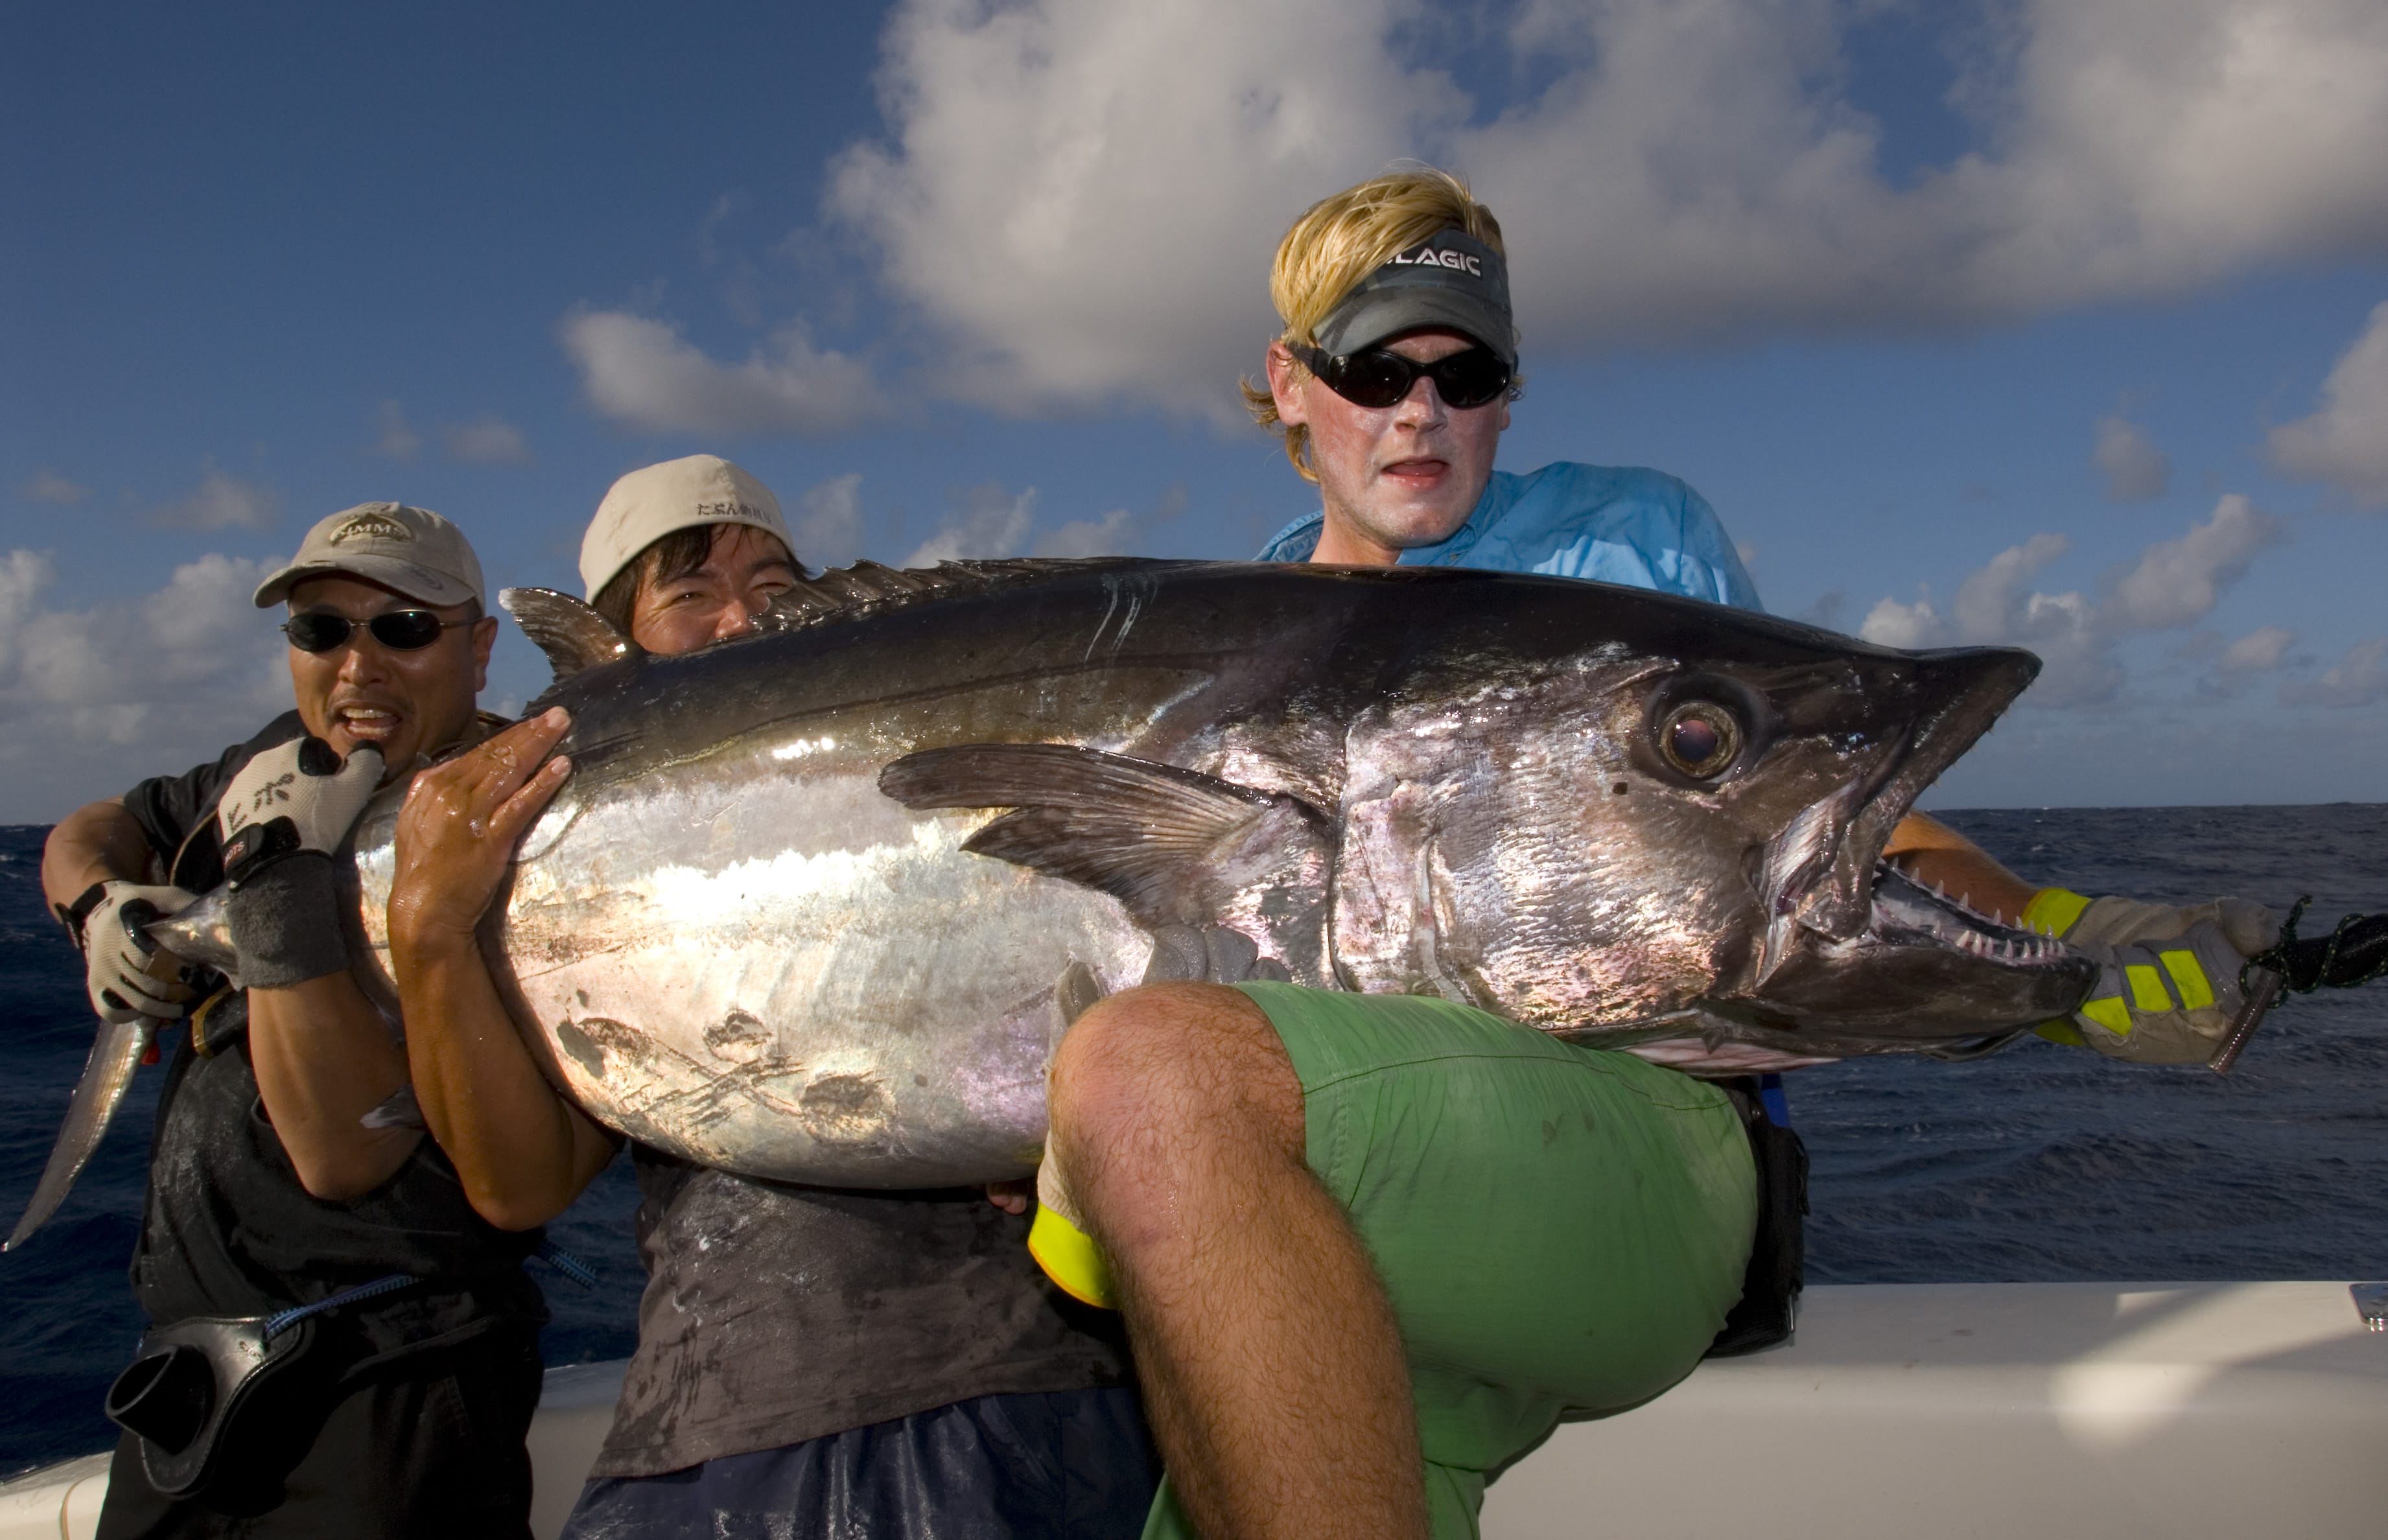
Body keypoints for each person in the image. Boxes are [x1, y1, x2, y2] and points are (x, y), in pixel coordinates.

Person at [1248, 167, 2278, 1068]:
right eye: (1378, 372)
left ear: (1507, 397)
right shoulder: (1241, 623)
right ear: (1292, 384)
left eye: (1464, 376)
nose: (1421, 412)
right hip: (1346, 1079)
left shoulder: (1632, 535)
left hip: (1627, 1098)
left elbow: (1803, 814)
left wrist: (2050, 936)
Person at [384, 454, 1159, 1540]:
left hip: (1036, 1392)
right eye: (689, 594)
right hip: (723, 1418)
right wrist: (427, 934)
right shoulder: (554, 860)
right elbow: (521, 1188)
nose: (744, 619)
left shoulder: (924, 772)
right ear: (615, 656)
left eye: (779, 587)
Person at [41, 502, 546, 1538]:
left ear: (481, 649)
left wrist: (276, 880)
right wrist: (103, 903)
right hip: (189, 1385)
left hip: (395, 1389)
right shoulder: (275, 765)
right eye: (321, 630)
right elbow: (106, 823)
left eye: (402, 628)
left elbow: (344, 1158)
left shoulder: (520, 821)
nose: (355, 666)